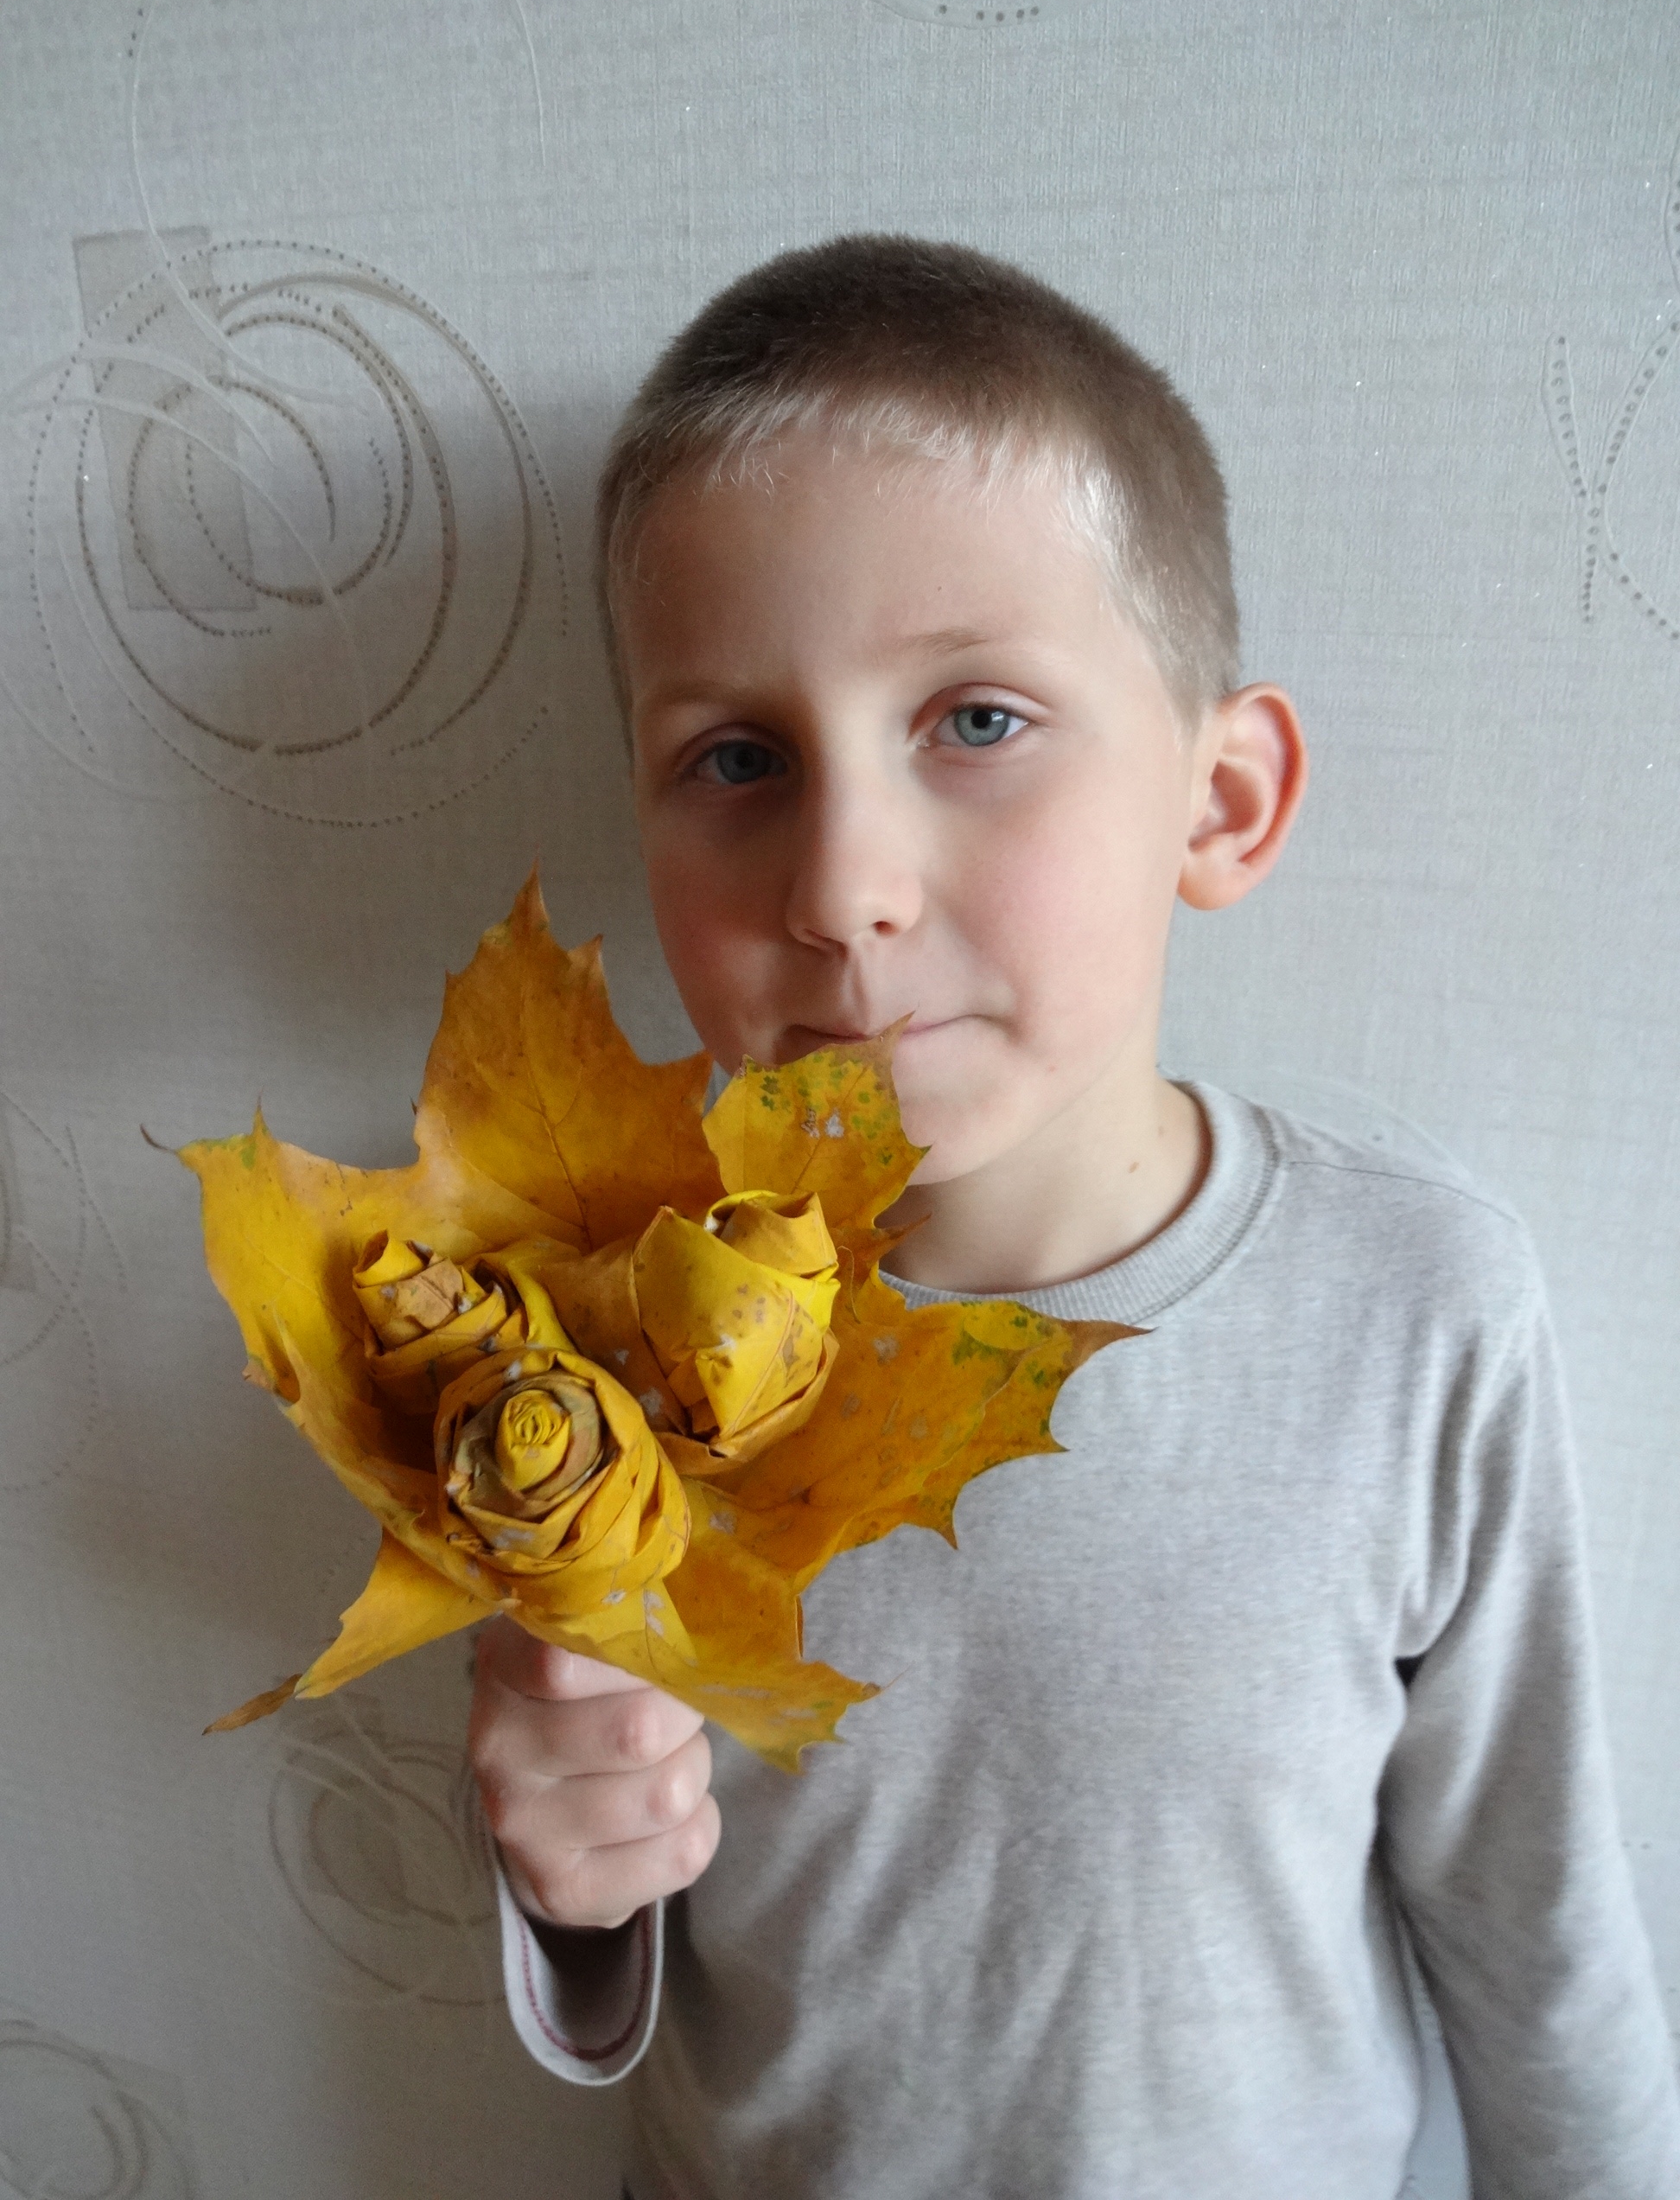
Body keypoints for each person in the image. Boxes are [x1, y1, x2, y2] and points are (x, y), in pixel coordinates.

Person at [467, 235, 1680, 2198]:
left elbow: (1536, 1943)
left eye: (977, 722)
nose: (843, 887)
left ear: (1221, 800)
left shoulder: (1417, 1311)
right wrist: (568, 1881)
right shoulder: (578, 1330)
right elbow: (618, 1935)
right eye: (739, 759)